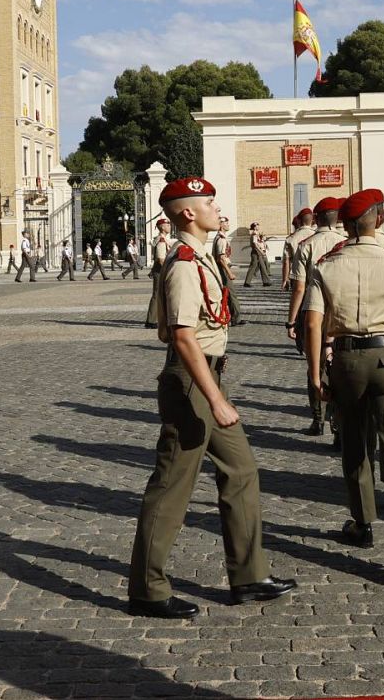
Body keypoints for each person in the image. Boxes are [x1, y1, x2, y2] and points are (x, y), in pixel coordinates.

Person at [129, 176, 296, 619]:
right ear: (188, 213)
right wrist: (216, 400)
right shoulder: (184, 261)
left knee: (241, 469)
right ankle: (147, 588)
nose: (216, 207)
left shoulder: (201, 255)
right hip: (191, 381)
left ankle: (248, 577)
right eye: (209, 202)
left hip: (208, 375)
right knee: (171, 486)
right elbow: (182, 336)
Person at [304, 189, 384, 584]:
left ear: (346, 223)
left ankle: (362, 523)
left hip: (344, 359)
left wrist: (314, 375)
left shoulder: (328, 264)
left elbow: (312, 323)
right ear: (377, 218)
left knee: (356, 446)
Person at [286, 197, 346, 438]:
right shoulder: (346, 242)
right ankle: (338, 418)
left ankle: (318, 419)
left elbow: (299, 288)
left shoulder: (306, 244)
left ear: (317, 219)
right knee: (340, 365)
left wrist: (291, 320)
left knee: (315, 365)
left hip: (313, 311)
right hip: (341, 312)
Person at [281, 208, 314, 291]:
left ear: (299, 221)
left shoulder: (291, 239)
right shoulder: (318, 236)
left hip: (296, 275)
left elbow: (286, 261)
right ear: (312, 220)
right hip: (315, 275)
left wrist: (285, 279)